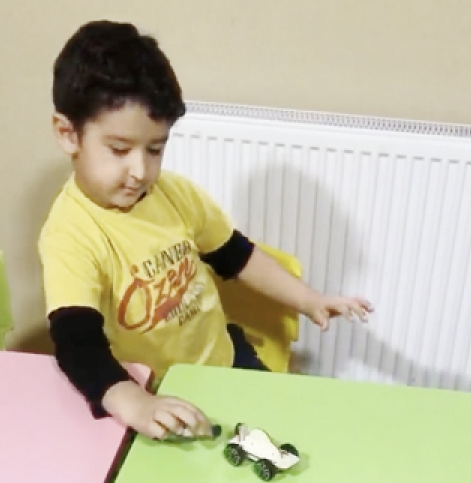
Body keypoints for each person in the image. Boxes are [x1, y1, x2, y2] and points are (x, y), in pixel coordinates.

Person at [39, 20, 373, 441]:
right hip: (157, 395)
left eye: (155, 149)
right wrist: (136, 402)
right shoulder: (70, 235)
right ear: (68, 134)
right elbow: (77, 344)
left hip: (227, 362)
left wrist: (309, 300)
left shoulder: (174, 193)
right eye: (120, 150)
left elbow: (237, 255)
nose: (140, 171)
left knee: (291, 439)